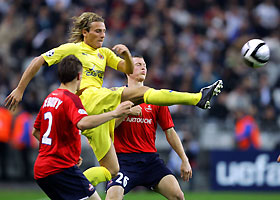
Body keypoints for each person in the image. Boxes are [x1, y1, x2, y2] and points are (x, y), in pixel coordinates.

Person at [5, 12, 223, 186]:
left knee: (112, 170)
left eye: (104, 31)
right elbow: (38, 60)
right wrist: (19, 89)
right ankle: (197, 98)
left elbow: (126, 68)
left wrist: (127, 54)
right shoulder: (73, 49)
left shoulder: (104, 53)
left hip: (97, 113)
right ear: (84, 33)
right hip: (87, 99)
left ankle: (78, 183)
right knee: (141, 93)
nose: (102, 35)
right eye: (98, 31)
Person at [32, 55, 133, 200]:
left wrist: (63, 151)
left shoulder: (50, 98)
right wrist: (115, 113)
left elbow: (36, 131)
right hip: (61, 169)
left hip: (42, 170)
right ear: (79, 76)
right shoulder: (71, 98)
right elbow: (83, 123)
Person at [106, 56, 192, 200]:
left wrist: (184, 159)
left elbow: (170, 131)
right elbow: (107, 129)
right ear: (127, 70)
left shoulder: (155, 97)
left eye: (144, 65)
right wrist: (125, 112)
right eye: (138, 64)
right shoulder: (116, 95)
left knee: (178, 196)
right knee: (112, 197)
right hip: (123, 161)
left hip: (150, 161)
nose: (143, 67)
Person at [0, 106, 12, 181]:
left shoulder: (6, 114)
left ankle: (4, 174)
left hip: (4, 138)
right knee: (4, 158)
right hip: (5, 138)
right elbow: (10, 126)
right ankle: (4, 175)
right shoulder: (6, 113)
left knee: (4, 158)